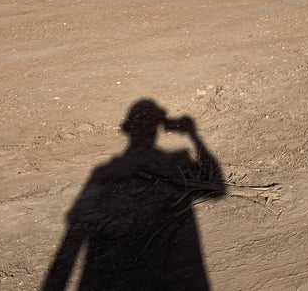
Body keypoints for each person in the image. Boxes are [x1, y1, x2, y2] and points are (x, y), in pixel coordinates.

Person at [43, 99, 224, 290]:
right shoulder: (173, 162)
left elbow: (74, 230)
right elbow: (217, 190)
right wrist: (194, 136)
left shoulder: (103, 172)